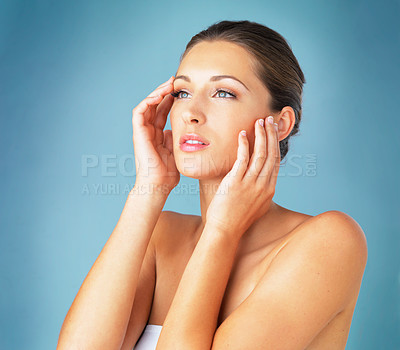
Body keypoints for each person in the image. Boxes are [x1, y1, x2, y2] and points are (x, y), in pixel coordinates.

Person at [57, 20, 368, 350]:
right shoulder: (162, 237)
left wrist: (222, 231)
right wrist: (148, 190)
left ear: (280, 124)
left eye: (223, 93)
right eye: (182, 92)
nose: (191, 112)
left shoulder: (330, 241)